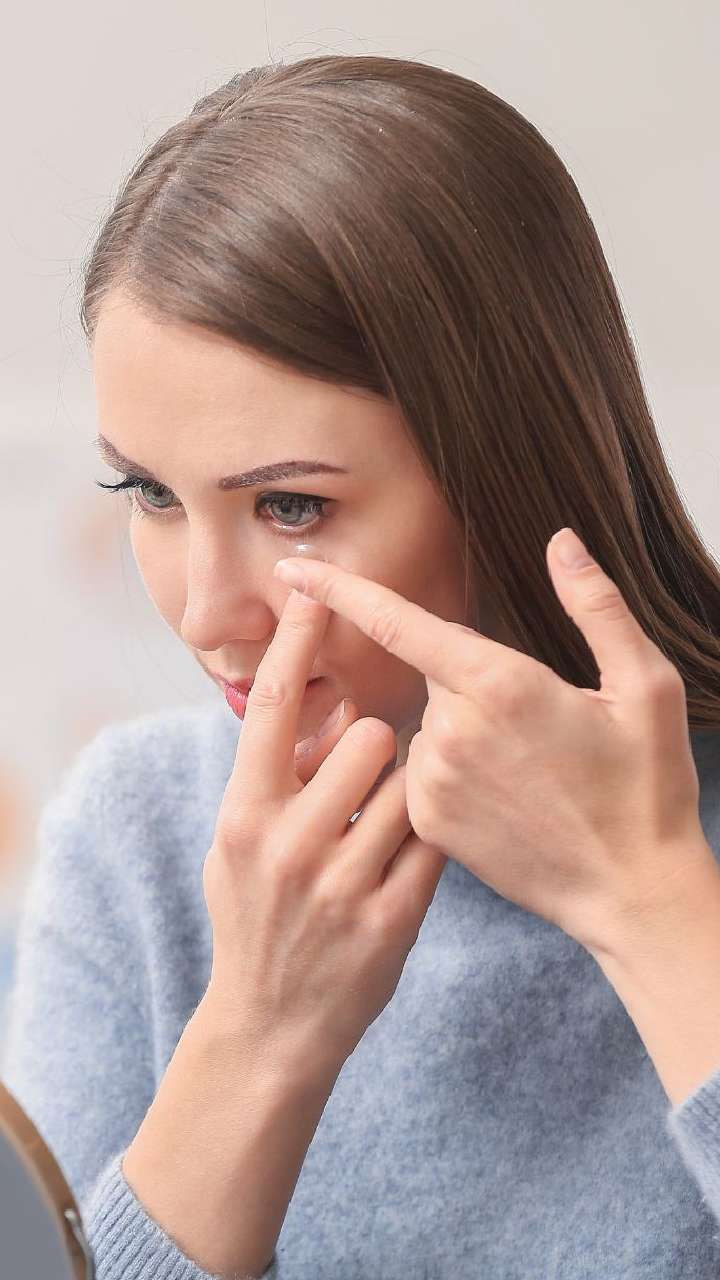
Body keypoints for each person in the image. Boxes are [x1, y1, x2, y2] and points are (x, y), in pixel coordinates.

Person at [3, 53, 720, 1280]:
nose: (206, 614)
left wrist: (649, 902)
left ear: (508, 472)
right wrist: (256, 1035)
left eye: (290, 506)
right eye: (150, 492)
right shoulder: (139, 835)